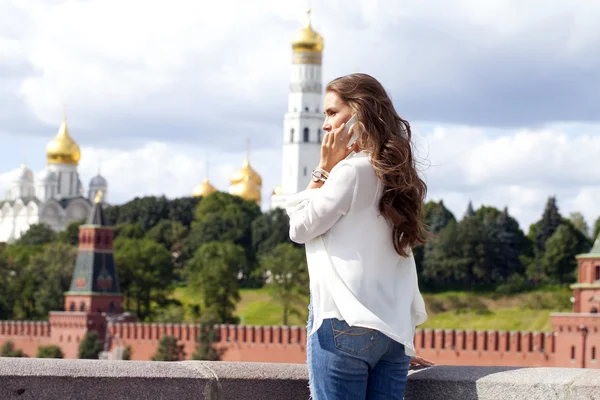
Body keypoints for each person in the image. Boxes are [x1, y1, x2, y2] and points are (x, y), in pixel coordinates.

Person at [285, 73, 432, 400]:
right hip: (392, 334)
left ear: (360, 113)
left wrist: (322, 170)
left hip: (343, 323)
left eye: (332, 112)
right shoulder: (400, 175)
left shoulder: (349, 172)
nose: (325, 125)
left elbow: (299, 228)